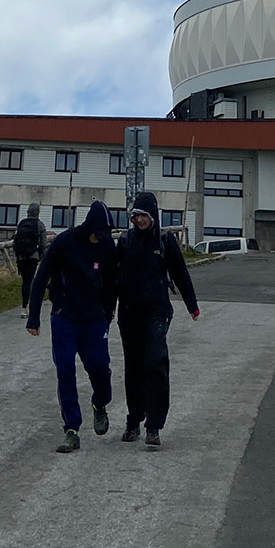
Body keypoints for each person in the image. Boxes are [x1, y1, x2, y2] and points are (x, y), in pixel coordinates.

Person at [26, 201, 118, 453]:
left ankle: (100, 404)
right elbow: (41, 275)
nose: (101, 238)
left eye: (106, 234)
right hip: (64, 317)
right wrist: (33, 317)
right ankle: (72, 429)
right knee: (65, 371)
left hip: (94, 320)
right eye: (99, 233)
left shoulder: (107, 246)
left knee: (100, 370)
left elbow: (112, 281)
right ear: (90, 227)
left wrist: (109, 312)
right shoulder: (65, 243)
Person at [117, 191, 199, 450]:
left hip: (157, 312)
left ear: (153, 216)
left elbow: (180, 274)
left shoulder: (165, 240)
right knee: (133, 368)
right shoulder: (125, 241)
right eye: (136, 216)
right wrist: (106, 309)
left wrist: (192, 306)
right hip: (129, 312)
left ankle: (154, 425)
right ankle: (134, 420)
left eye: (143, 215)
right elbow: (113, 279)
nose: (139, 220)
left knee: (155, 362)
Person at [13, 201, 47, 313]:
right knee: (29, 281)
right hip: (33, 256)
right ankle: (25, 307)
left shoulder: (21, 223)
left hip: (21, 257)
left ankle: (23, 306)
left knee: (24, 282)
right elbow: (43, 243)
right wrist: (42, 255)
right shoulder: (40, 225)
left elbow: (16, 240)